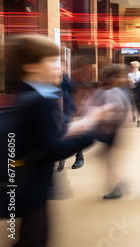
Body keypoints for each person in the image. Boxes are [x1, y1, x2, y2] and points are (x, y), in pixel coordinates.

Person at [2, 35, 109, 246]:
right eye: (52, 60)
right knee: (35, 239)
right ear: (31, 66)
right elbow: (54, 149)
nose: (59, 66)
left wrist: (87, 121)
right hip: (31, 187)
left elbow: (48, 135)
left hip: (25, 184)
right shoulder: (40, 100)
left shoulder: (29, 94)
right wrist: (91, 133)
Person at [83, 64, 130, 199]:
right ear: (114, 78)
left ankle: (117, 185)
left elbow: (113, 113)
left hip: (111, 132)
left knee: (110, 161)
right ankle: (118, 183)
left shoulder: (111, 91)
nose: (124, 79)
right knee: (110, 160)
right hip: (111, 131)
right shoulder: (113, 91)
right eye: (122, 76)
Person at [57, 70, 85, 170]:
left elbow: (72, 88)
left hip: (66, 108)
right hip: (53, 109)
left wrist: (63, 76)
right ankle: (61, 158)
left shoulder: (63, 77)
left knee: (69, 131)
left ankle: (79, 157)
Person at [127, 61, 140, 127]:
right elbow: (129, 84)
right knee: (132, 106)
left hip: (139, 92)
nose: (134, 68)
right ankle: (134, 115)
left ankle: (138, 121)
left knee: (138, 106)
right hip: (131, 91)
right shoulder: (129, 75)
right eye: (133, 66)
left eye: (135, 66)